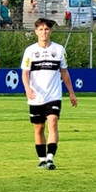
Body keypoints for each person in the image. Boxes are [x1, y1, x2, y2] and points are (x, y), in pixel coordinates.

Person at [21, 18, 78, 169]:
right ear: (36, 32)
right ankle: (41, 159)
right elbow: (25, 73)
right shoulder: (30, 51)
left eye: (46, 29)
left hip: (53, 95)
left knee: (53, 123)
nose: (44, 32)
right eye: (40, 29)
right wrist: (27, 88)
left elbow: (64, 72)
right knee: (39, 128)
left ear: (50, 31)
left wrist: (71, 93)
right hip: (36, 96)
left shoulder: (59, 50)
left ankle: (50, 158)